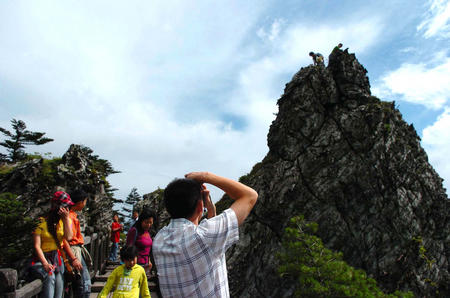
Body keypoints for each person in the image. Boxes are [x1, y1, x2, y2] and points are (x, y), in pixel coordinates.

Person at [153, 171, 258, 297]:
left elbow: (195, 243)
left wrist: (211, 213)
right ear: (199, 205)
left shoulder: (159, 240)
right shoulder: (205, 237)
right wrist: (206, 177)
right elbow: (250, 196)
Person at [32, 191, 74, 298]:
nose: (66, 209)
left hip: (57, 259)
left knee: (59, 287)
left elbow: (69, 237)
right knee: (50, 278)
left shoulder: (65, 221)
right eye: (64, 206)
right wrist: (45, 264)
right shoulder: (41, 222)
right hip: (42, 259)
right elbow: (37, 246)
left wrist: (65, 219)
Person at [61, 189, 92, 298]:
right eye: (85, 201)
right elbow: (65, 239)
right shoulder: (69, 217)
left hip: (76, 250)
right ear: (80, 202)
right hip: (74, 251)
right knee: (83, 285)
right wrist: (73, 258)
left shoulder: (72, 215)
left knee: (83, 284)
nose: (85, 204)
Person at [126, 208, 155, 278]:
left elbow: (148, 249)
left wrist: (149, 261)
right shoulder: (134, 231)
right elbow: (129, 248)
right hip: (135, 265)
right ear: (141, 220)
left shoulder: (148, 232)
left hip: (146, 265)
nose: (148, 225)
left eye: (150, 222)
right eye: (146, 222)